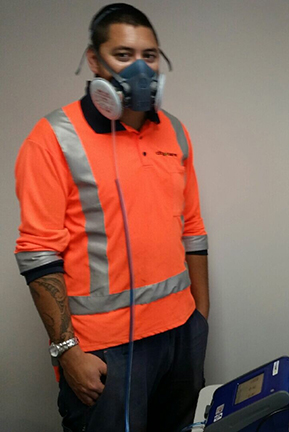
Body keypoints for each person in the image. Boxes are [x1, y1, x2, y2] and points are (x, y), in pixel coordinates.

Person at [14, 4, 210, 431]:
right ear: (94, 60)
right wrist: (67, 351)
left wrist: (200, 320)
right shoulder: (53, 138)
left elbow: (193, 231)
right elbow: (37, 253)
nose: (140, 67)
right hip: (105, 349)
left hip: (180, 335)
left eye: (149, 55)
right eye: (123, 55)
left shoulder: (174, 130)